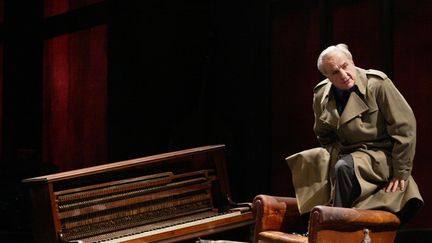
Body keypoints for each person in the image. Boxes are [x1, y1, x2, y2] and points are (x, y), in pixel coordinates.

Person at [286, 43, 423, 223]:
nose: (344, 75)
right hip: (345, 153)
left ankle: (335, 225)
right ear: (327, 76)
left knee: (344, 167)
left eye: (345, 66)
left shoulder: (377, 85)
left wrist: (401, 171)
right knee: (308, 161)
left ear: (351, 61)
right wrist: (333, 153)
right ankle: (311, 222)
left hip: (380, 154)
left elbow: (404, 128)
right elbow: (322, 133)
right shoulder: (321, 94)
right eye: (335, 72)